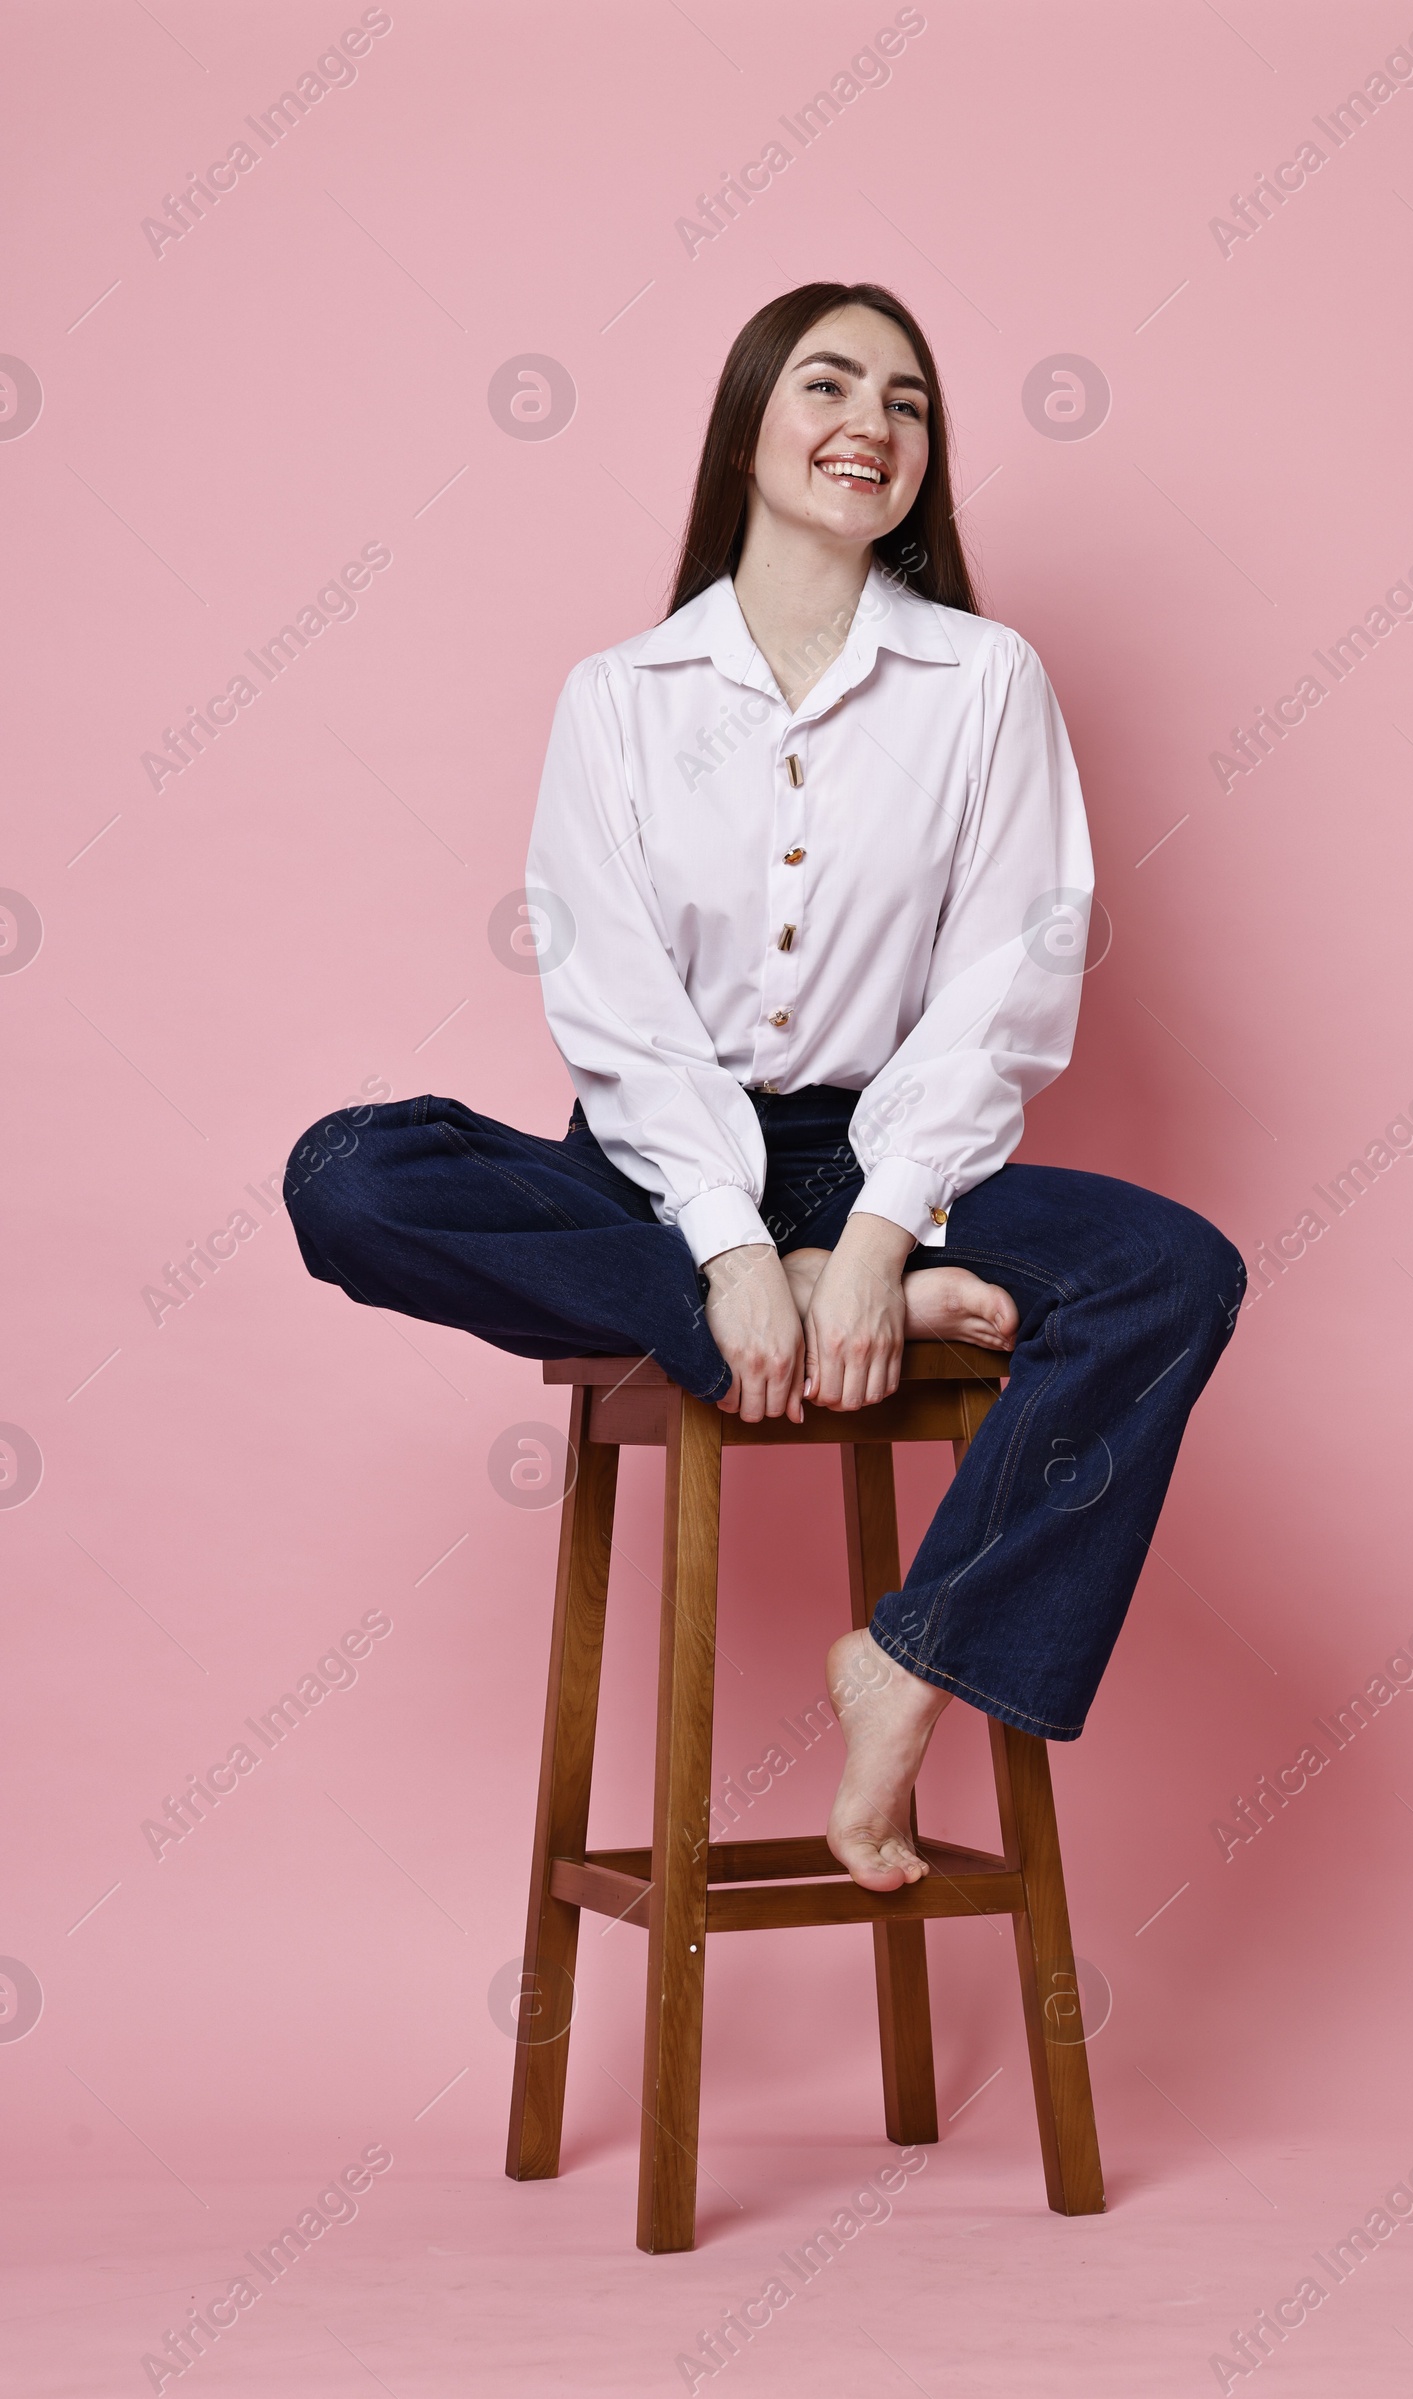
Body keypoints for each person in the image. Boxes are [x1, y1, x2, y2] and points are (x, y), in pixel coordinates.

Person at [285, 281, 1246, 1895]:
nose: (870, 424)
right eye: (828, 385)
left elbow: (1010, 975)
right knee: (351, 1175)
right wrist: (735, 1251)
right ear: (747, 426)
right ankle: (757, 1298)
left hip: (894, 1159)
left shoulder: (984, 682)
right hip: (665, 1171)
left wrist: (873, 1241)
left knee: (1172, 1273)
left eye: (908, 402)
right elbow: (618, 1012)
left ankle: (916, 1654)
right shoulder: (622, 700)